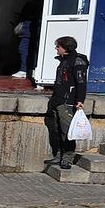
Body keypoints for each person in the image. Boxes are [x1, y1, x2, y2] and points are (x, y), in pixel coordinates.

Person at [43, 35, 89, 169]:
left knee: (67, 131)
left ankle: (68, 158)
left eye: (58, 46)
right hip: (58, 100)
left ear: (65, 48)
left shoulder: (77, 61)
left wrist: (80, 100)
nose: (56, 49)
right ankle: (58, 156)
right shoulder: (64, 60)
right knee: (57, 130)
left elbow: (81, 83)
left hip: (68, 102)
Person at [12, 0, 43, 80]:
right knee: (30, 50)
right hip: (30, 31)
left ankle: (24, 70)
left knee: (24, 49)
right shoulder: (38, 5)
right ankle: (30, 69)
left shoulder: (31, 5)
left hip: (28, 31)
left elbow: (24, 16)